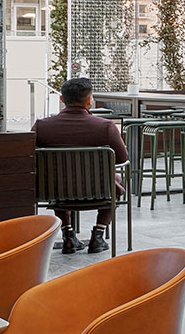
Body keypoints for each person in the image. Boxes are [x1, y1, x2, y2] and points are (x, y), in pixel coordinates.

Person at [31, 77, 128, 254]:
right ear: (89, 100)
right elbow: (122, 158)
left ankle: (68, 235)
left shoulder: (42, 126)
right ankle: (98, 234)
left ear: (62, 99)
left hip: (55, 190)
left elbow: (29, 158)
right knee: (117, 179)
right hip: (97, 191)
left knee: (56, 178)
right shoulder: (105, 126)